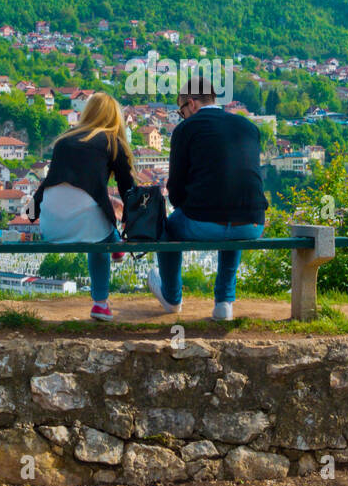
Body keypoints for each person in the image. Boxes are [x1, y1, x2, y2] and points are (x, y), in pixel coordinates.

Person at [148, 73, 267, 320]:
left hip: (205, 224)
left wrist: (187, 206)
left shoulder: (186, 130)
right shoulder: (248, 126)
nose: (182, 116)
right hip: (253, 224)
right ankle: (224, 302)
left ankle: (171, 298)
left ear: (191, 103)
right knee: (233, 214)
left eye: (181, 111)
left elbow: (176, 189)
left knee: (166, 227)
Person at [31, 92, 135, 321]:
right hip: (91, 227)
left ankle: (114, 242)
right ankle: (100, 303)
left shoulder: (64, 140)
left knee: (93, 221)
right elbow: (128, 187)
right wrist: (129, 219)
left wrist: (30, 214)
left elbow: (48, 183)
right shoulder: (111, 141)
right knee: (97, 238)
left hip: (51, 226)